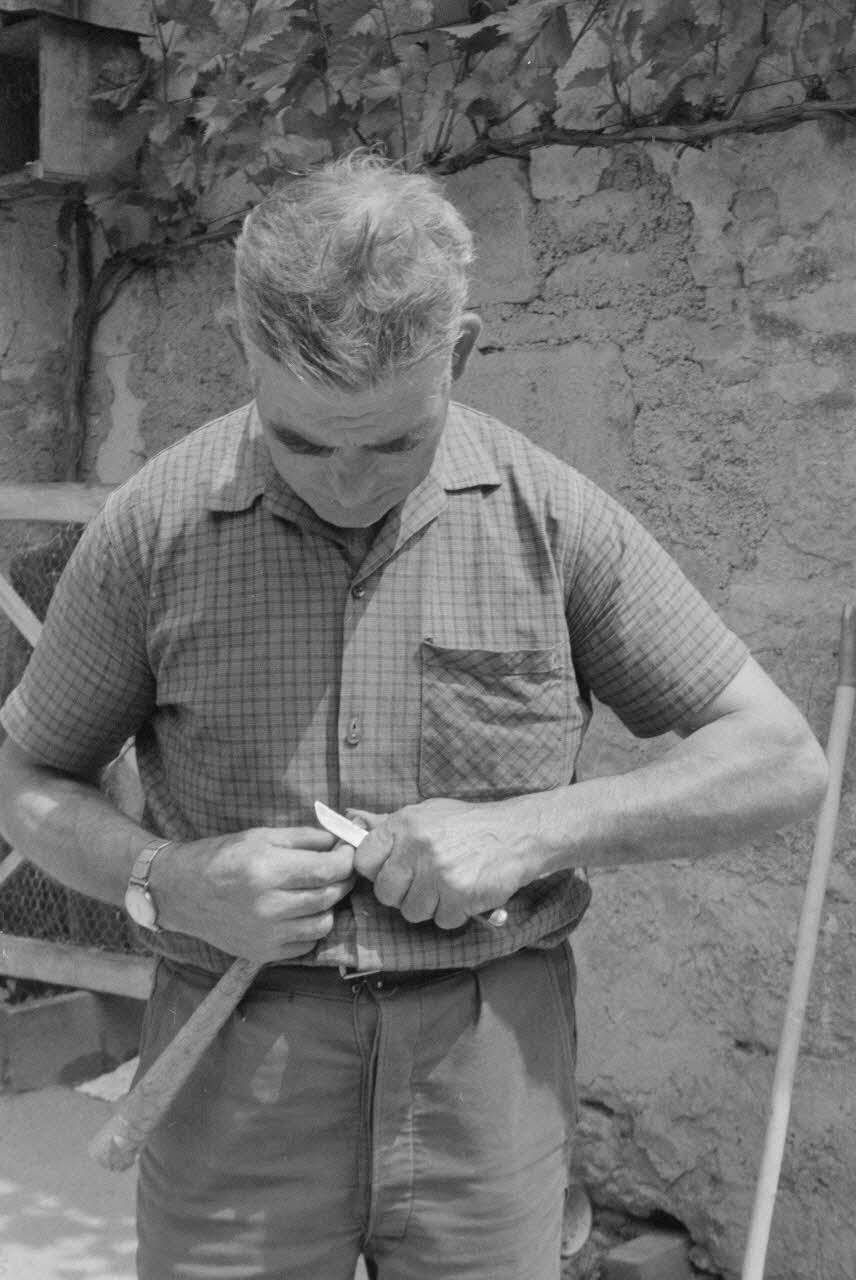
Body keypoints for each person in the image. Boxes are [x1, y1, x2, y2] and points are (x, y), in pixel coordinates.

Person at [0, 153, 827, 1280]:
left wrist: (530, 830)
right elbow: (26, 777)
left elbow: (778, 760)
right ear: (245, 350)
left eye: (392, 441)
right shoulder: (152, 530)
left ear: (465, 351)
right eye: (303, 441)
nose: (347, 482)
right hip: (232, 1060)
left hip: (487, 1071)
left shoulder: (554, 518)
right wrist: (165, 877)